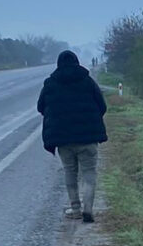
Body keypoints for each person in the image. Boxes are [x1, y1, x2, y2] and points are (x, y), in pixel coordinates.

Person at [37, 49, 108, 222]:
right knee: (89, 173)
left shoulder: (51, 83)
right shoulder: (87, 81)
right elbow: (102, 105)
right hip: (88, 138)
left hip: (63, 138)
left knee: (70, 172)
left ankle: (75, 209)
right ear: (77, 62)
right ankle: (89, 209)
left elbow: (41, 107)